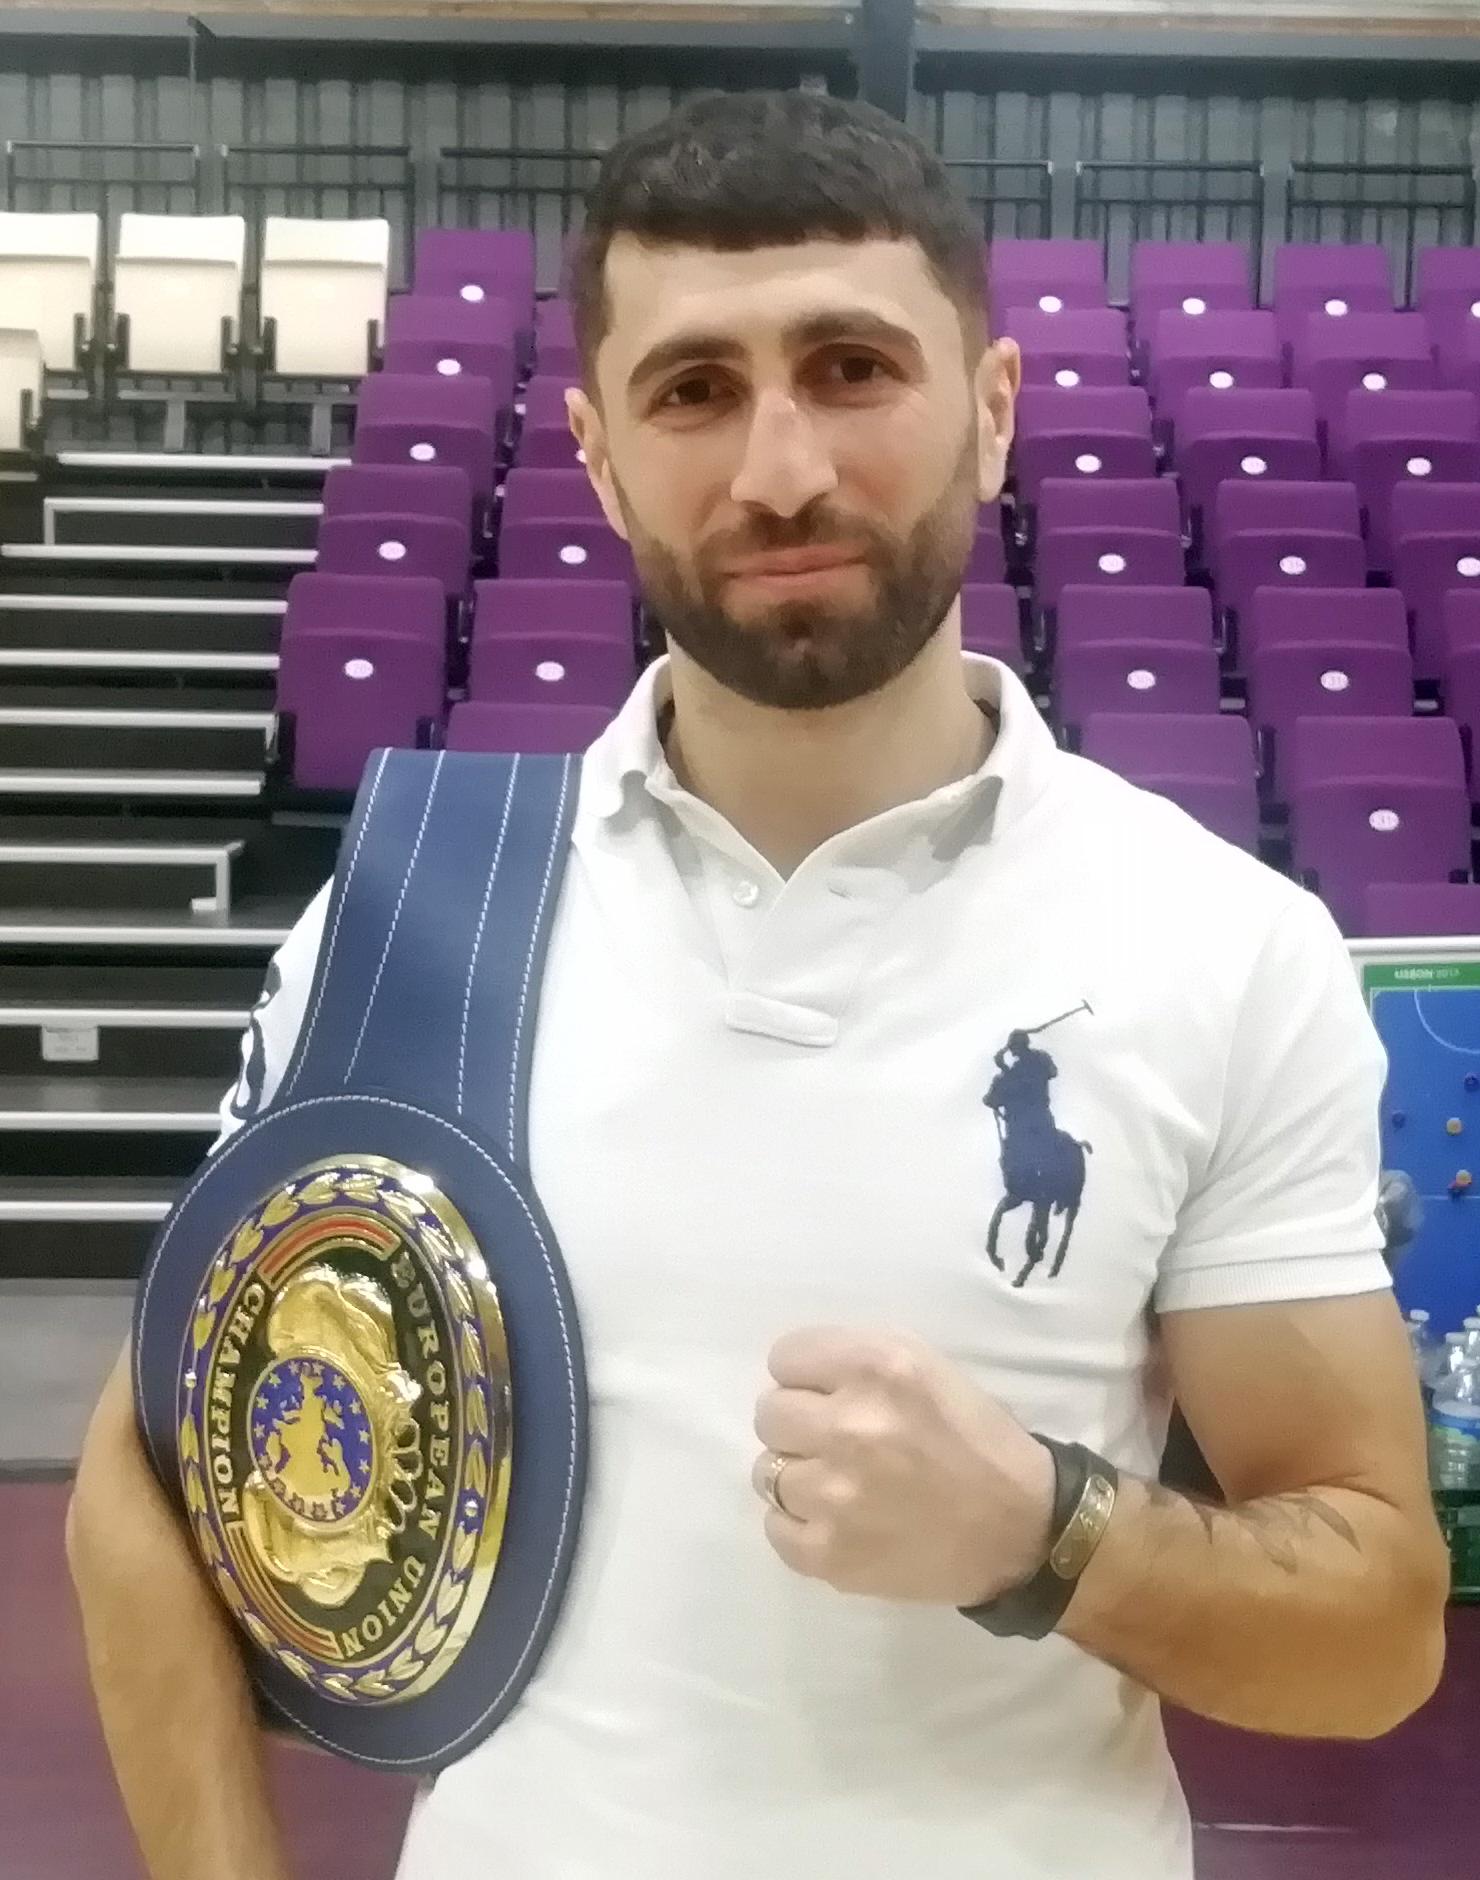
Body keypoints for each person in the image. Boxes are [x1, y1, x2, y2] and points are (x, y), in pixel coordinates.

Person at [67, 88, 1449, 1880]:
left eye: (854, 368)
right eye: (695, 390)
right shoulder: (413, 909)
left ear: (995, 408)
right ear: (596, 449)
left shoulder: (1221, 944)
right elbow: (150, 1482)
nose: (779, 467)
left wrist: (1047, 1531)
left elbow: (1376, 1631)